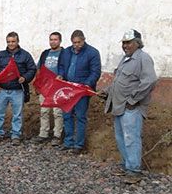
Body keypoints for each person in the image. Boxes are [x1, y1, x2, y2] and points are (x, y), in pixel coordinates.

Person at [101, 30, 157, 183]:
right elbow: (119, 81)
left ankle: (134, 171)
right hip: (119, 106)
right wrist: (107, 92)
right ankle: (127, 166)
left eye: (129, 42)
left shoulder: (143, 58)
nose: (125, 46)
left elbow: (150, 81)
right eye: (124, 43)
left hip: (132, 107)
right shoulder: (125, 59)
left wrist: (133, 100)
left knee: (131, 138)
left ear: (137, 43)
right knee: (121, 138)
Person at [0, 32, 37, 146]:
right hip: (2, 90)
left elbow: (32, 69)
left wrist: (25, 78)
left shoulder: (25, 55)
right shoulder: (0, 55)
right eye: (8, 42)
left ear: (18, 41)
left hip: (17, 90)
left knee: (17, 114)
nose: (11, 44)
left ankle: (16, 135)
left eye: (13, 41)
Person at [57, 29, 101, 153]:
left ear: (84, 40)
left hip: (82, 91)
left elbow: (95, 72)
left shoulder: (92, 53)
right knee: (67, 115)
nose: (76, 45)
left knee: (81, 116)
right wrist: (60, 75)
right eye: (74, 43)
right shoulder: (66, 52)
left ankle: (79, 145)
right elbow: (61, 66)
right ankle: (68, 142)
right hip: (67, 89)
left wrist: (87, 84)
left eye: (79, 42)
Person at [32, 32, 64, 146]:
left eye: (55, 39)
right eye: (51, 39)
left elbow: (66, 68)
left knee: (57, 112)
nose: (53, 41)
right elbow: (39, 69)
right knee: (44, 111)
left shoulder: (64, 53)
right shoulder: (45, 53)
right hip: (45, 87)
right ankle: (43, 133)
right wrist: (37, 84)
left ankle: (57, 135)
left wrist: (61, 76)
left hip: (58, 87)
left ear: (60, 41)